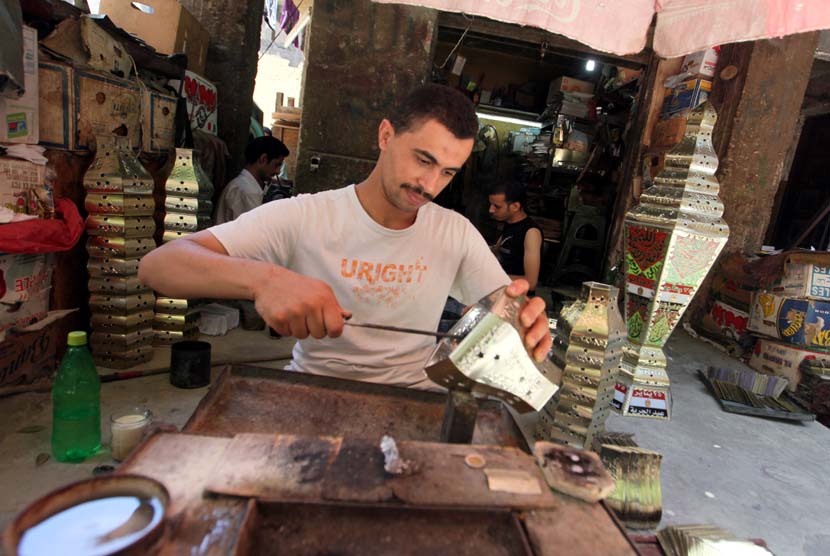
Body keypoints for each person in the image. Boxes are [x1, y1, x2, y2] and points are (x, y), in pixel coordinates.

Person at [139, 84, 552, 389]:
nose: (430, 184)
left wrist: (522, 322)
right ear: (386, 136)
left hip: (415, 395)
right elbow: (158, 266)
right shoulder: (306, 216)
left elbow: (504, 306)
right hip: (315, 386)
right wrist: (264, 280)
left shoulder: (453, 232)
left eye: (447, 172)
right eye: (423, 160)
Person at [215, 136, 289, 224]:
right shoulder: (246, 191)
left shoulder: (248, 187)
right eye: (276, 165)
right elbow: (253, 232)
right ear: (263, 159)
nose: (278, 171)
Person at [488, 181, 543, 295]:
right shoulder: (509, 223)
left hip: (516, 297)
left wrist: (489, 276)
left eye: (496, 206)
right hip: (500, 290)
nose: (491, 210)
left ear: (515, 206)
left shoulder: (531, 233)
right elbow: (496, 250)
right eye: (491, 205)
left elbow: (531, 282)